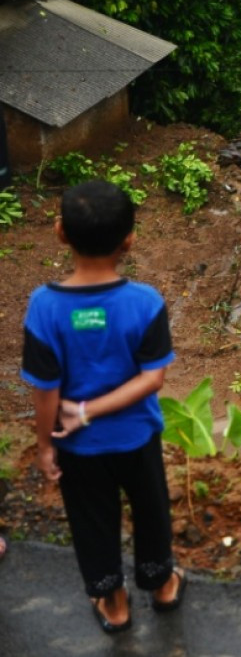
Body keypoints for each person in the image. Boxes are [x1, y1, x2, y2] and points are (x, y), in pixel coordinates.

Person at [21, 179, 184, 634]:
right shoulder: (145, 303)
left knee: (92, 522)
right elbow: (153, 378)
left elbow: (45, 390)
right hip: (137, 438)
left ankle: (114, 604)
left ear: (60, 232)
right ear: (129, 239)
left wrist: (46, 443)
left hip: (79, 450)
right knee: (151, 510)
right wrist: (91, 410)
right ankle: (163, 585)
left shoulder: (44, 308)